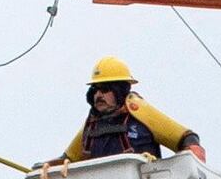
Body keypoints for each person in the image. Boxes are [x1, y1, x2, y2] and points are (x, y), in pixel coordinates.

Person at [59, 56, 198, 166]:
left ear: (119, 91)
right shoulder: (92, 125)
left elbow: (186, 138)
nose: (98, 95)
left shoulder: (140, 113)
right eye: (95, 90)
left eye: (105, 89)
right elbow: (69, 159)